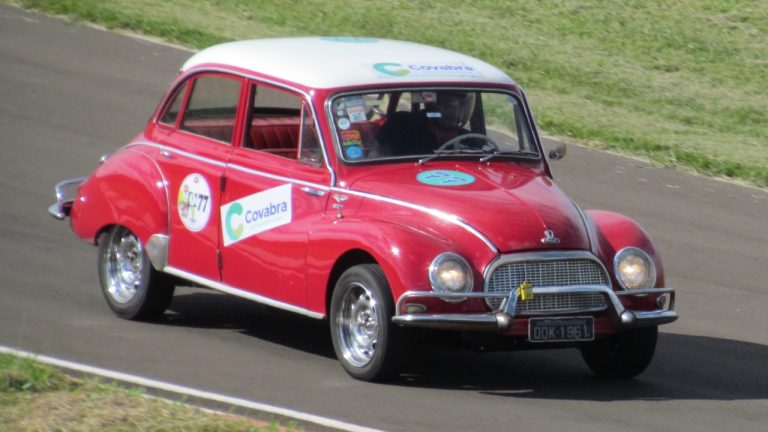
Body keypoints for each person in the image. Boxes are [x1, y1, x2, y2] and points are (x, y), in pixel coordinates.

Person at [376, 91, 476, 156]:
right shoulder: (400, 127)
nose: (457, 112)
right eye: (451, 105)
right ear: (435, 104)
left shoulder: (470, 139)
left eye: (462, 106)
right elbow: (378, 154)